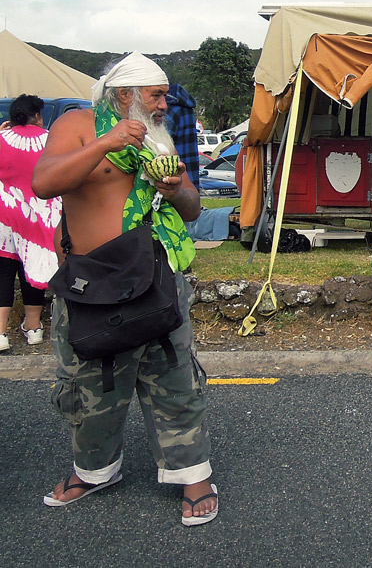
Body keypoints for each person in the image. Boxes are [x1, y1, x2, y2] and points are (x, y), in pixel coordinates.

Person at [32, 52, 218, 527]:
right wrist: (107, 142)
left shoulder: (159, 137)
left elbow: (193, 208)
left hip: (158, 274)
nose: (164, 103)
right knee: (89, 383)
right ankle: (94, 471)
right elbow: (44, 183)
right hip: (90, 281)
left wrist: (175, 187)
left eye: (165, 95)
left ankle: (192, 474)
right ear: (123, 95)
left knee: (174, 375)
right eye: (156, 94)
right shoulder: (78, 124)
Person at [0, 95, 60, 352]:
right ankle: (34, 327)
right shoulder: (51, 140)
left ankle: (1, 333)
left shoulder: (1, 139)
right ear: (37, 115)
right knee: (32, 266)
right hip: (39, 214)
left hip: (5, 213)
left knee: (3, 271)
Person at [166, 82, 200, 188]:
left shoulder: (176, 109)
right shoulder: (181, 108)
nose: (161, 105)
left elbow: (188, 158)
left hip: (171, 187)